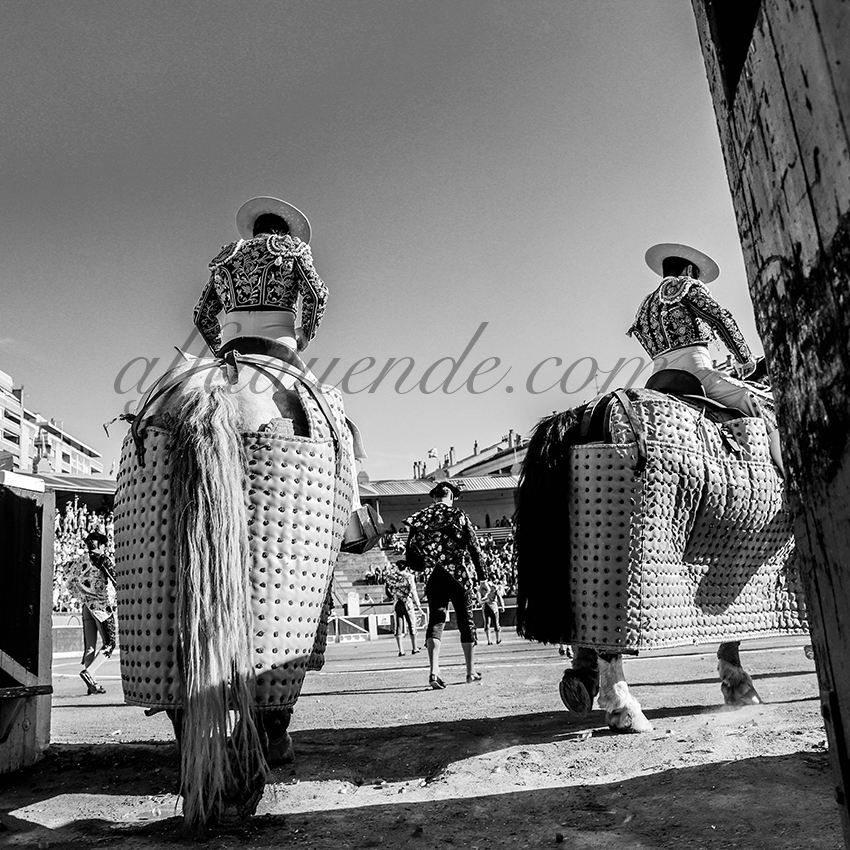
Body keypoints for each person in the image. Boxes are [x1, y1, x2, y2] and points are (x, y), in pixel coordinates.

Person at [628, 242, 784, 476]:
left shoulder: (645, 305)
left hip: (657, 380)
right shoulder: (685, 287)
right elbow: (720, 318)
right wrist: (744, 358)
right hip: (695, 373)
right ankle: (793, 474)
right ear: (690, 271)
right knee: (754, 399)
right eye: (697, 275)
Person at [404, 481, 486, 688]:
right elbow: (474, 548)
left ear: (434, 497)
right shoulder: (459, 515)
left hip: (433, 576)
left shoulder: (419, 518)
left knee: (436, 621)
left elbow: (410, 554)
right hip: (458, 575)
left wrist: (423, 565)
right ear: (451, 497)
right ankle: (470, 672)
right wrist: (483, 577)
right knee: (466, 622)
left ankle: (434, 672)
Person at [66, 521, 117, 695]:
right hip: (100, 607)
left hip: (86, 606)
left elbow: (69, 579)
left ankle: (92, 684)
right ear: (100, 545)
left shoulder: (80, 560)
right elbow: (115, 580)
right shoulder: (103, 559)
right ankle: (89, 673)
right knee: (110, 644)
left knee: (90, 646)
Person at [385, 560, 424, 656]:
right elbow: (413, 591)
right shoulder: (409, 576)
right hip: (407, 602)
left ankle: (401, 650)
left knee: (398, 627)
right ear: (406, 568)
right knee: (412, 625)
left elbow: (388, 590)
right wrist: (418, 606)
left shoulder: (391, 577)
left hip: (397, 602)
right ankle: (414, 648)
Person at [479, 577, 505, 645]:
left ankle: (489, 640)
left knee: (487, 623)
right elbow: (499, 597)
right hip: (493, 606)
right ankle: (498, 639)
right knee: (496, 623)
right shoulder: (495, 588)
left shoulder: (482, 588)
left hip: (485, 606)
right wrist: (502, 606)